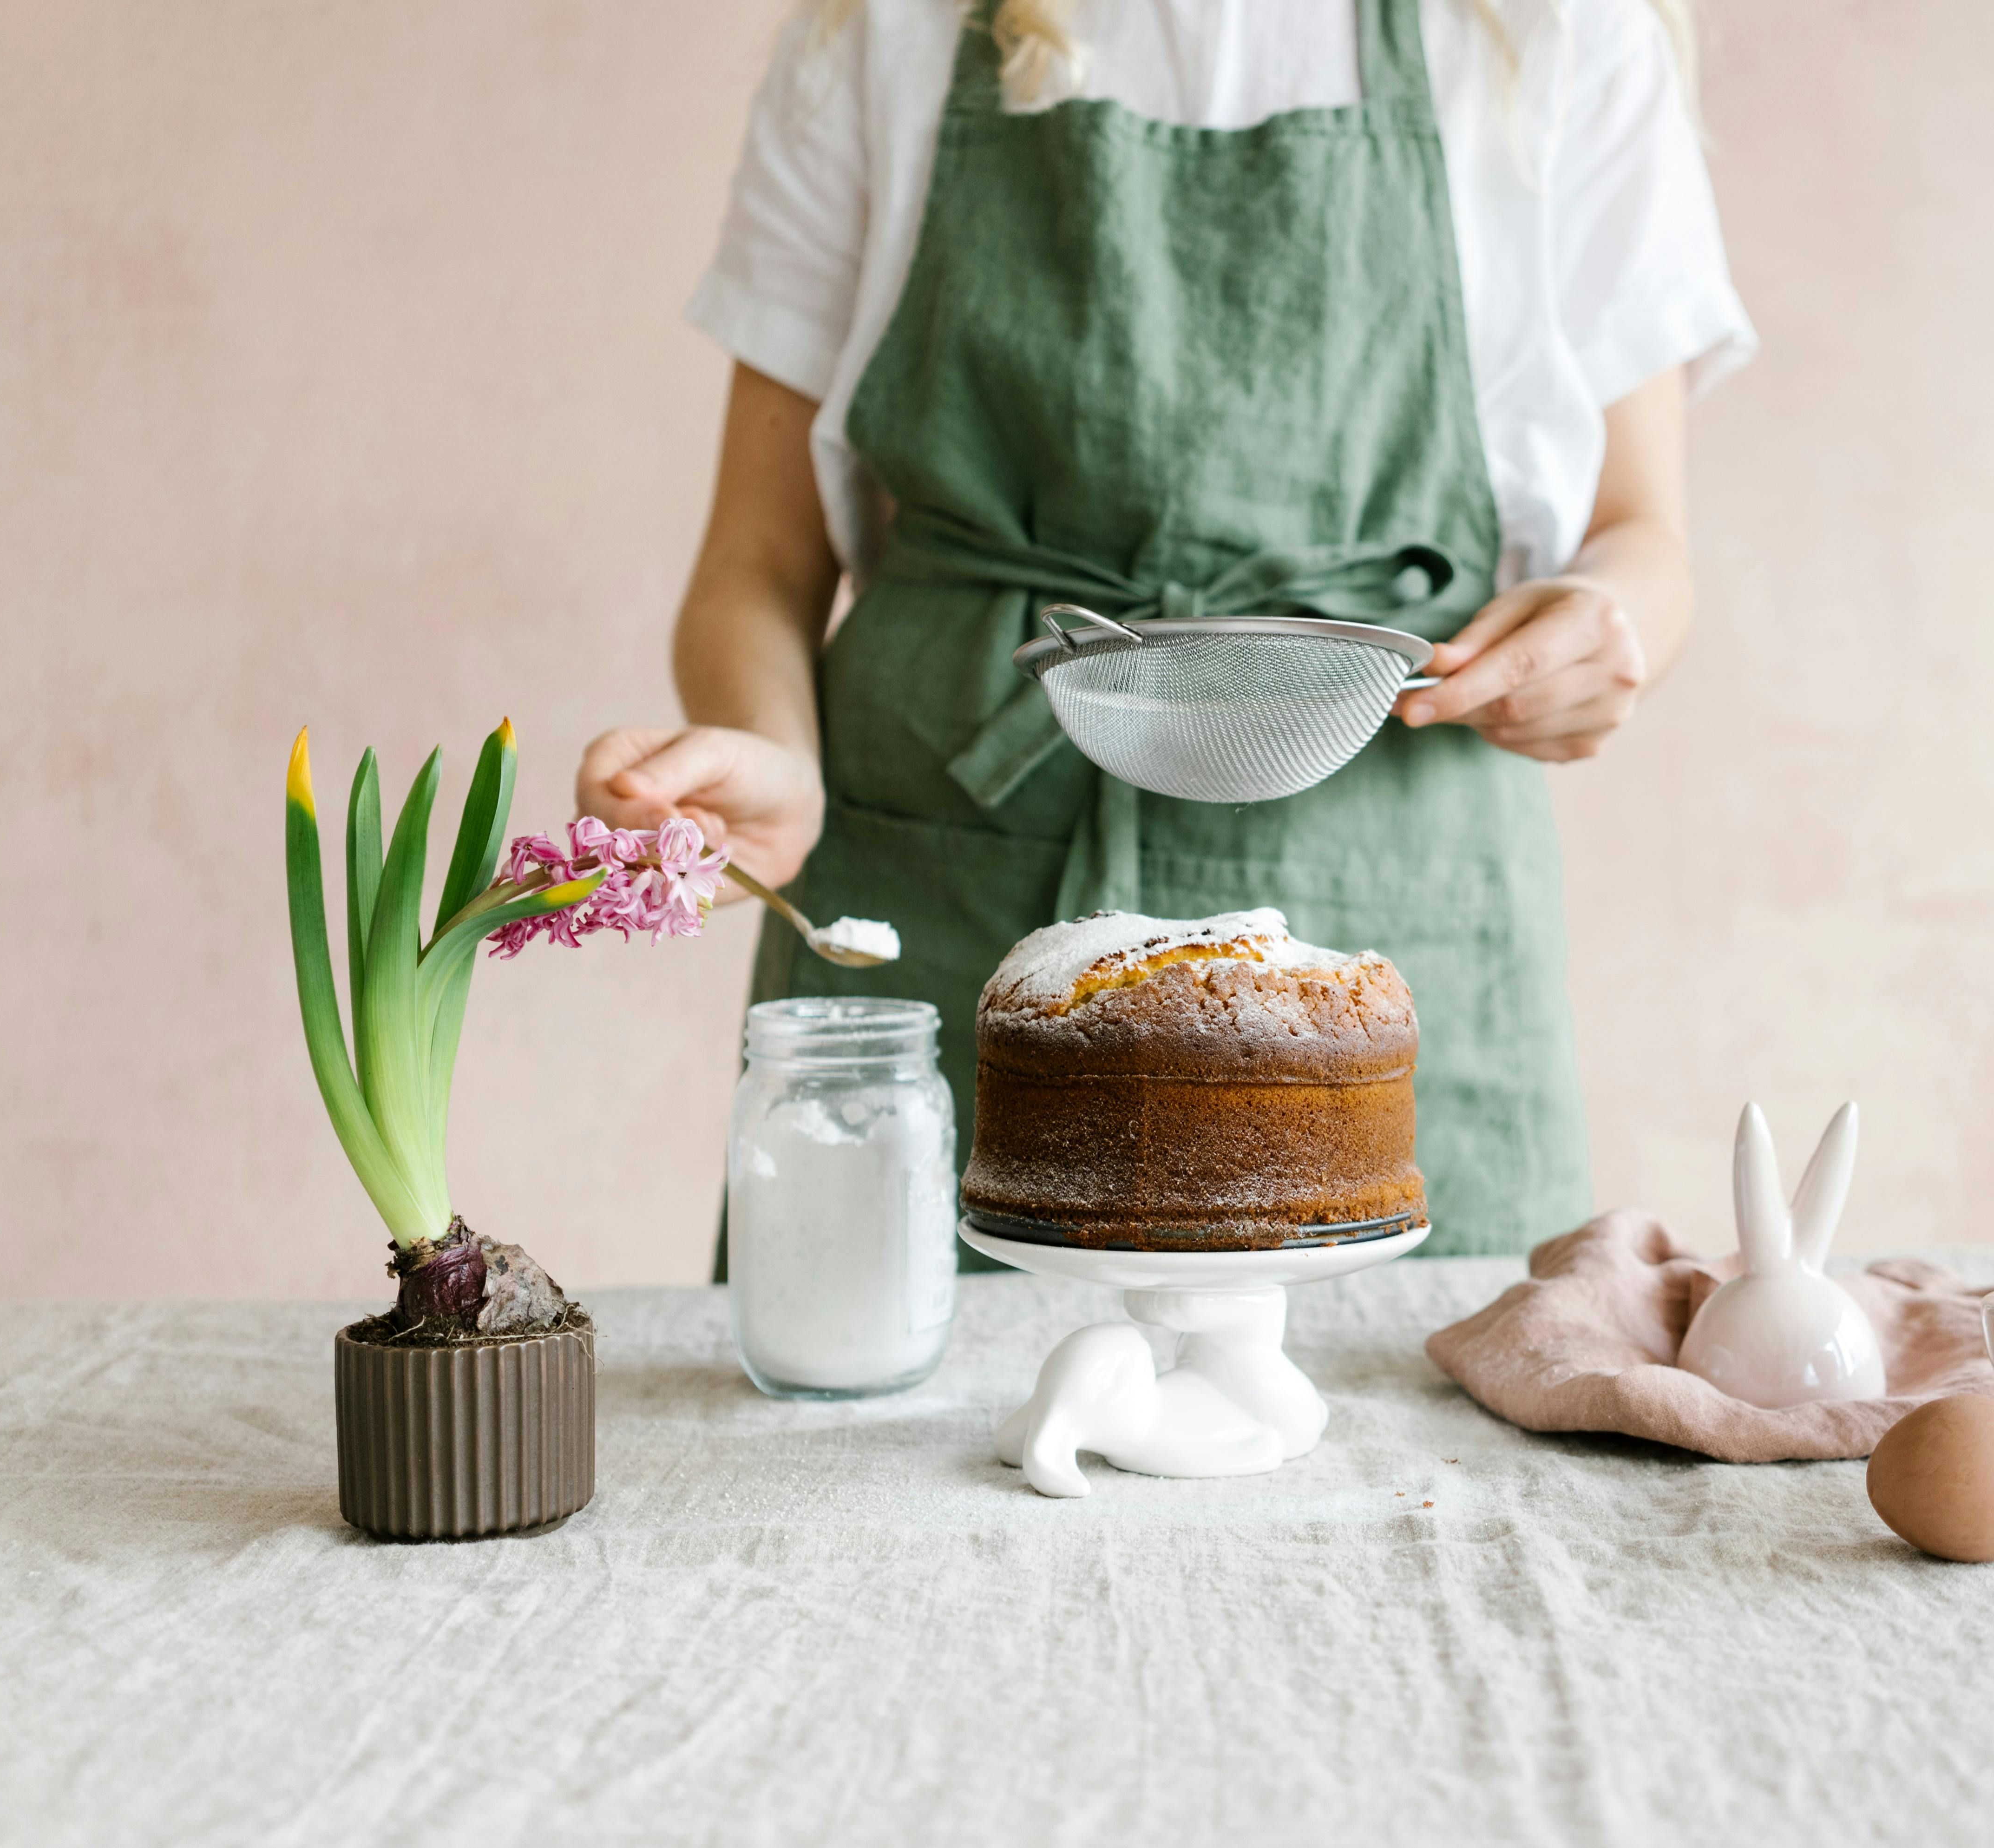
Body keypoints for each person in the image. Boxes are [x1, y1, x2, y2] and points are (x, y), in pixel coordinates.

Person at [576, 0, 1754, 1265]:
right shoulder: (886, 27)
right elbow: (755, 562)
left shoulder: (1555, 29)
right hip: (943, 886)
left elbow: (1646, 535)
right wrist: (774, 756)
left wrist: (1607, 625)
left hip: (1402, 875)